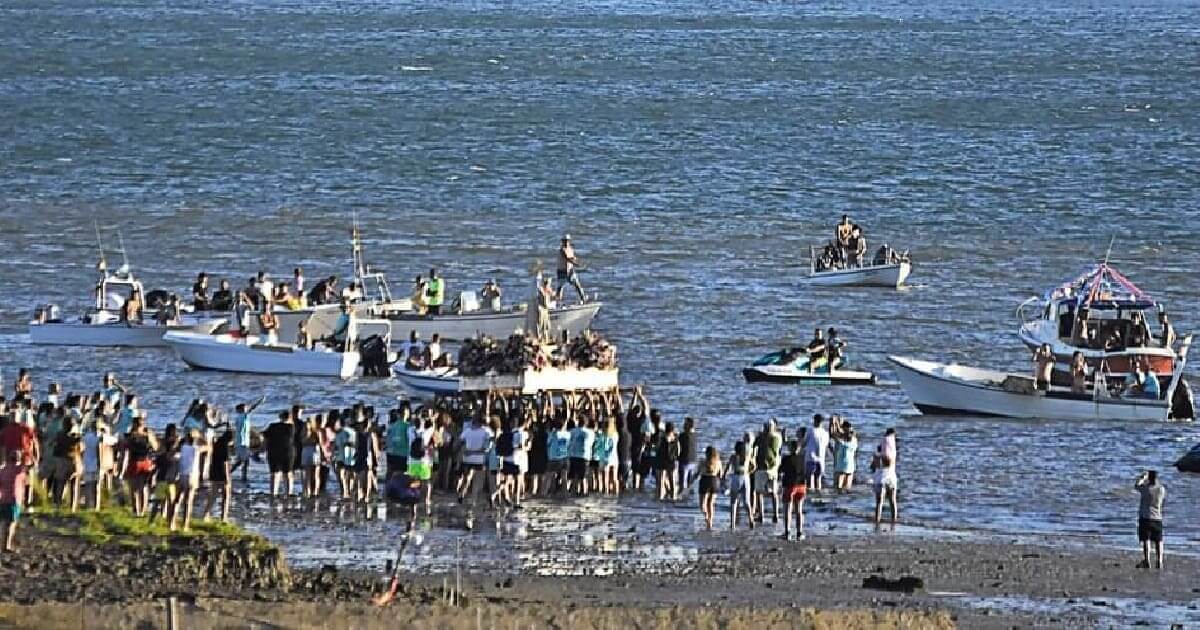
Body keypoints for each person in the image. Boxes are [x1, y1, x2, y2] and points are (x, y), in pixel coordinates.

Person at [1134, 470, 1165, 570]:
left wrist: (1142, 478)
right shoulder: (1161, 489)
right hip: (1157, 517)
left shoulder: (1146, 489)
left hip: (1145, 516)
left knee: (1146, 540)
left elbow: (1136, 485)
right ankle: (1159, 560)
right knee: (1158, 541)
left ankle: (1147, 560)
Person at [753, 420, 782, 524]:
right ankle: (776, 515)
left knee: (759, 492)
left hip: (762, 467)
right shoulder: (777, 437)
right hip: (773, 468)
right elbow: (778, 451)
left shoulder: (761, 438)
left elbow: (754, 446)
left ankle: (761, 515)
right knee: (773, 493)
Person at [203, 427, 234, 521]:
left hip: (214, 470)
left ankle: (206, 514)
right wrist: (227, 477)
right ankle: (224, 517)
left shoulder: (217, 444)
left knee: (213, 494)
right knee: (226, 495)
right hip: (222, 472)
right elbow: (225, 463)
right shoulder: (225, 447)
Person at [0, 450, 28, 553]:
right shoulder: (20, 470)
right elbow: (24, 484)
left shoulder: (2, 470)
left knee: (4, 523)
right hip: (15, 499)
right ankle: (7, 545)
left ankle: (3, 544)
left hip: (3, 499)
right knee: (12, 523)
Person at [779, 439, 807, 540]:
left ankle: (788, 532)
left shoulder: (786, 459)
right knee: (799, 510)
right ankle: (799, 533)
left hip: (790, 485)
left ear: (790, 448)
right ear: (798, 448)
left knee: (788, 510)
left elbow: (780, 470)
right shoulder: (802, 458)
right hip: (801, 486)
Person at [263, 411, 296, 497]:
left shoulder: (273, 426)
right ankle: (289, 492)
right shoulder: (291, 427)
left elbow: (265, 437)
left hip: (273, 451)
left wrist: (264, 448)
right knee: (288, 473)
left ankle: (273, 492)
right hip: (287, 452)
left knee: (275, 473)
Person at [724, 439, 754, 530]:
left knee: (734, 502)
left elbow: (728, 467)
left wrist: (724, 476)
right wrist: (749, 472)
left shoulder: (733, 457)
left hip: (736, 477)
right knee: (747, 502)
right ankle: (751, 520)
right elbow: (754, 466)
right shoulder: (747, 456)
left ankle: (732, 524)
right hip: (746, 477)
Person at [872, 439, 899, 527]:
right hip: (892, 479)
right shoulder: (893, 454)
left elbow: (873, 467)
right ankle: (894, 520)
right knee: (892, 501)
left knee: (879, 502)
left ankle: (877, 520)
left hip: (880, 479)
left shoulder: (877, 455)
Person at [556, 234, 587, 303]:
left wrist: (576, 260)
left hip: (570, 271)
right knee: (560, 288)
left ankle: (583, 299)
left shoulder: (570, 249)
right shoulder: (562, 250)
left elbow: (572, 258)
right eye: (564, 241)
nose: (566, 242)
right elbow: (567, 258)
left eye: (567, 241)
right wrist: (576, 264)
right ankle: (557, 302)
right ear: (562, 242)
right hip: (562, 271)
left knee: (577, 285)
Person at [697, 446, 721, 531]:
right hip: (715, 481)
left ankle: (707, 517)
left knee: (702, 504)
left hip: (705, 480)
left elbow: (697, 473)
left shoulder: (702, 461)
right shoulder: (718, 462)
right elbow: (720, 474)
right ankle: (710, 522)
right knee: (710, 504)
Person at [804, 414, 829, 492]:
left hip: (811, 458)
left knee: (810, 478)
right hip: (821, 459)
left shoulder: (810, 430)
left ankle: (811, 494)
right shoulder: (825, 433)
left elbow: (804, 442)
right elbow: (826, 445)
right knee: (818, 479)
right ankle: (818, 493)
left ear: (814, 420)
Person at [832, 418, 858, 492]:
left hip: (842, 466)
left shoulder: (842, 443)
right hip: (850, 466)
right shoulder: (854, 442)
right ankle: (847, 500)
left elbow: (834, 435)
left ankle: (840, 497)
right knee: (848, 486)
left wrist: (835, 424)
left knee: (839, 486)